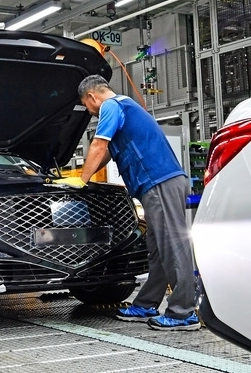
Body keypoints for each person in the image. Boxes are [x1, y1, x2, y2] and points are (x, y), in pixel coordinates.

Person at [57, 75, 199, 331]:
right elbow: (110, 152)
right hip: (158, 184)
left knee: (171, 246)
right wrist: (81, 175)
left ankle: (183, 312)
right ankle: (146, 303)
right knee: (157, 250)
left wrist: (81, 179)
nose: (89, 112)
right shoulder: (125, 108)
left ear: (91, 97)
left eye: (87, 106)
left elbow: (100, 144)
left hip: (160, 182)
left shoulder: (112, 106)